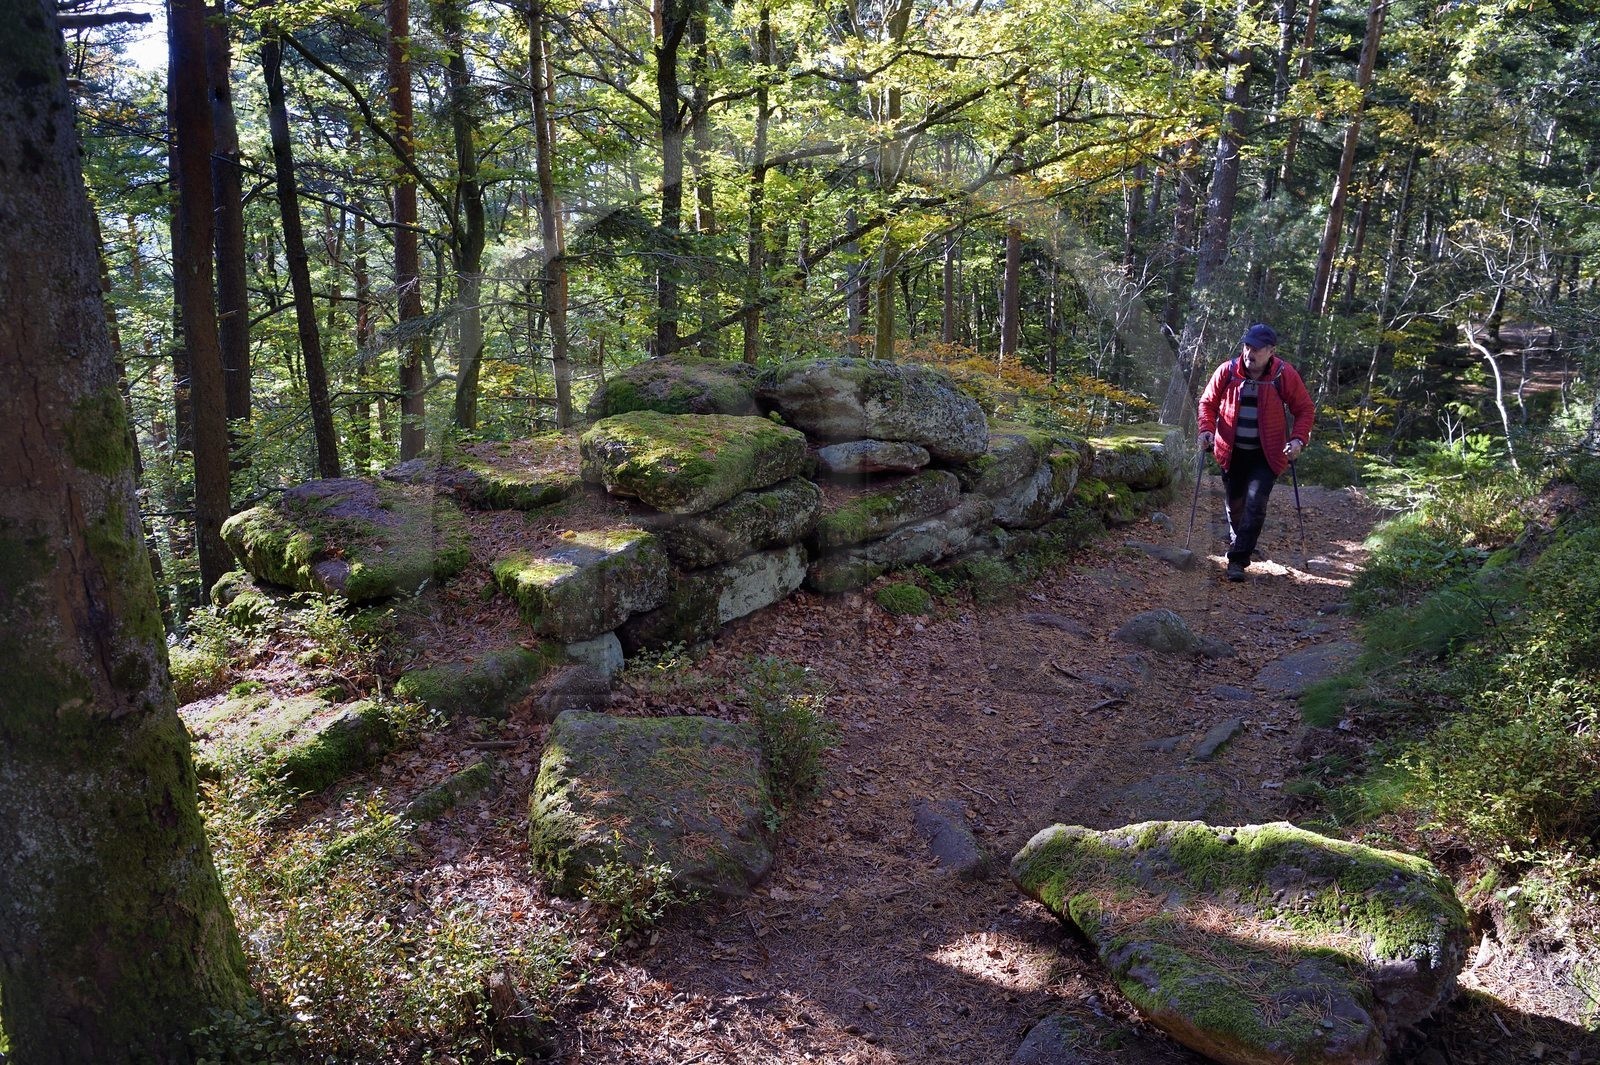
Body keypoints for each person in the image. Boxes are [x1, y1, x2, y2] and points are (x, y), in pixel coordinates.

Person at [1197, 323, 1315, 582]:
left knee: (1256, 504)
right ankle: (1240, 539)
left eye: (1257, 349)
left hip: (1267, 454)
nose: (1250, 353)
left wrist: (1298, 439)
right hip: (1231, 451)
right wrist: (1206, 430)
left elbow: (1304, 409)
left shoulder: (1283, 374)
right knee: (1235, 504)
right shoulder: (1228, 371)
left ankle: (1238, 559)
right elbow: (1207, 402)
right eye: (1247, 346)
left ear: (1271, 351)